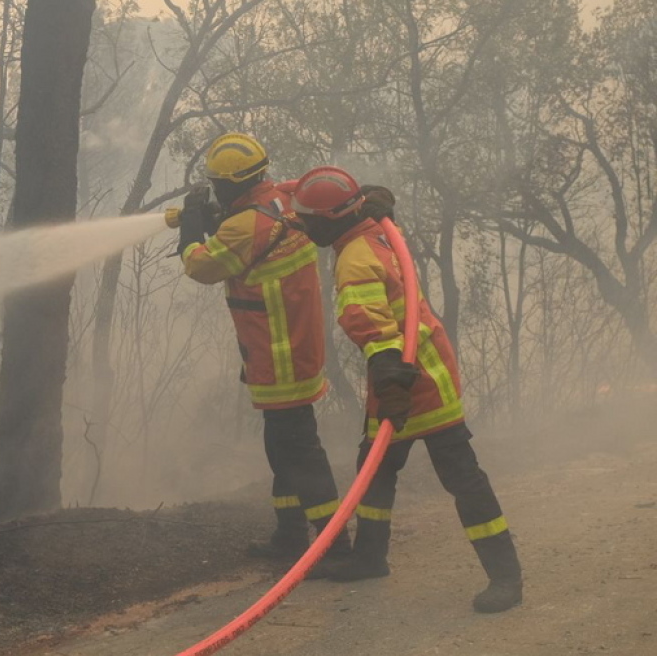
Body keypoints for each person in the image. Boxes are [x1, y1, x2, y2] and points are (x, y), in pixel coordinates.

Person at [288, 165, 523, 613]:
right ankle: (370, 558)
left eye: (310, 219)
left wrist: (392, 378)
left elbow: (372, 326)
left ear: (333, 219)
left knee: (463, 479)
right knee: (373, 471)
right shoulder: (372, 229)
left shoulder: (355, 257)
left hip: (417, 381)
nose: (306, 225)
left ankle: (505, 576)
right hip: (399, 375)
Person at [172, 133, 350, 564]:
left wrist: (193, 229)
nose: (216, 189)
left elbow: (201, 266)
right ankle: (290, 537)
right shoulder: (283, 200)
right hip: (293, 347)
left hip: (279, 355)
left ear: (232, 184)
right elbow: (250, 225)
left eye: (218, 184)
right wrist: (212, 215)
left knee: (300, 452)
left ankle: (335, 547)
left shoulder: (243, 227)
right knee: (281, 446)